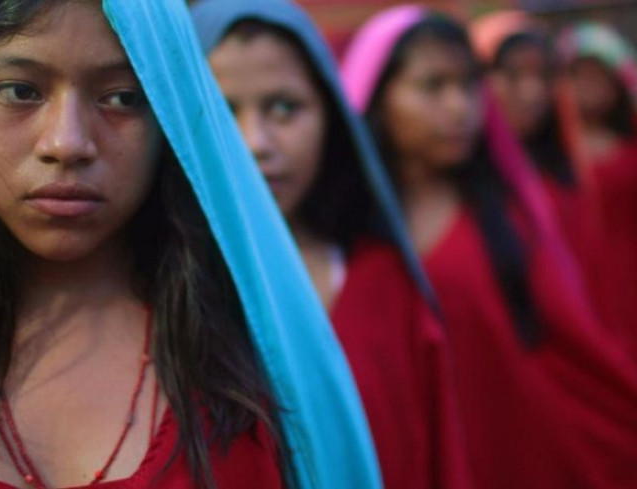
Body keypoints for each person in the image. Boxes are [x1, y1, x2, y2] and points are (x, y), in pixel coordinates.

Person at [0, 1, 382, 488]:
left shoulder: (262, 359)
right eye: (21, 91)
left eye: (123, 98)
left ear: (172, 122)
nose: (67, 143)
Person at [342, 6, 637, 489]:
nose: (460, 107)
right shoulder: (344, 235)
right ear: (376, 97)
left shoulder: (505, 221)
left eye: (469, 84)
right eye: (433, 86)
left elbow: (575, 363)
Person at [191, 1, 471, 488]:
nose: (256, 141)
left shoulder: (385, 284)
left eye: (284, 107)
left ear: (331, 118)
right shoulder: (146, 302)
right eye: (221, 109)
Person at [557, 23, 637, 386]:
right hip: (575, 282)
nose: (587, 88)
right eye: (577, 76)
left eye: (598, 77)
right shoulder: (550, 150)